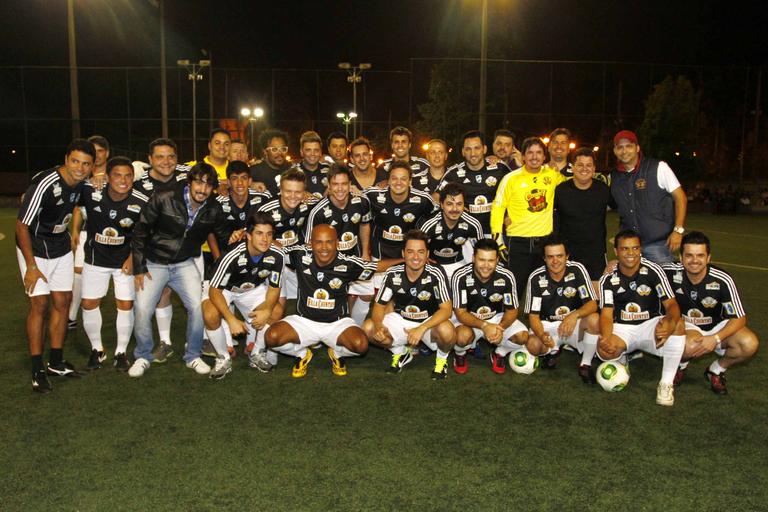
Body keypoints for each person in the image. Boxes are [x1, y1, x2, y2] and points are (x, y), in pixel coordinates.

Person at [128, 162, 229, 378]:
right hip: (155, 261)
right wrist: (138, 266)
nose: (203, 189)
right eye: (199, 183)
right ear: (189, 181)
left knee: (197, 307)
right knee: (143, 309)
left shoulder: (213, 207)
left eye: (209, 185)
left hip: (185, 262)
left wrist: (241, 236)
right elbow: (141, 230)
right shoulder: (164, 196)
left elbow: (224, 234)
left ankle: (192, 355)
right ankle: (143, 355)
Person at [16, 138, 95, 392]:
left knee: (63, 301)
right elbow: (21, 225)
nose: (80, 168)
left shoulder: (83, 184)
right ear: (66, 159)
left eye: (86, 164)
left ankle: (56, 361)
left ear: (92, 166)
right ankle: (37, 368)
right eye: (75, 161)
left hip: (60, 248)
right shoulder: (46, 183)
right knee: (40, 304)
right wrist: (30, 266)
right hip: (34, 249)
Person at [265, 224, 380, 377]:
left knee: (361, 345)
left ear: (337, 243)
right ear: (311, 243)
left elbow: (376, 266)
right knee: (271, 338)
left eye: (329, 242)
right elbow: (278, 248)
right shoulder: (300, 255)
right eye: (318, 242)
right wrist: (252, 235)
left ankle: (337, 353)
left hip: (337, 323)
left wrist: (406, 261)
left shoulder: (347, 263)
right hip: (304, 321)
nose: (324, 247)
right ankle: (301, 353)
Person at [662, 231, 759, 395]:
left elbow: (739, 318)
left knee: (749, 344)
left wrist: (715, 338)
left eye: (700, 255)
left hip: (717, 326)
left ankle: (716, 370)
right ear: (681, 257)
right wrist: (615, 263)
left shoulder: (722, 279)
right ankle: (680, 366)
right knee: (687, 346)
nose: (694, 260)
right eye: (689, 255)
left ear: (708, 258)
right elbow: (642, 268)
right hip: (688, 327)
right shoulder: (669, 272)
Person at [597, 229, 685, 406]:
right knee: (604, 351)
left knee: (679, 325)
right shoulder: (607, 279)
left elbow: (672, 305)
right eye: (625, 249)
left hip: (649, 326)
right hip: (622, 328)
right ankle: (622, 358)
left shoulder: (654, 271)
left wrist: (670, 322)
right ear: (616, 251)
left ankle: (666, 383)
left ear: (640, 249)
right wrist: (606, 338)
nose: (631, 253)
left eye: (635, 248)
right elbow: (606, 315)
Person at [78, 157, 148, 372]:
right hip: (95, 259)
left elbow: (145, 234)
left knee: (125, 305)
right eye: (117, 175)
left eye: (128, 175)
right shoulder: (91, 192)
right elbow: (68, 187)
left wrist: (132, 257)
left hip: (123, 261)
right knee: (89, 303)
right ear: (107, 177)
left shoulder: (141, 200)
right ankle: (97, 349)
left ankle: (120, 352)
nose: (123, 180)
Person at [364, 230, 455, 379]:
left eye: (420, 252)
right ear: (403, 253)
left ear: (427, 254)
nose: (415, 257)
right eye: (410, 252)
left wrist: (422, 328)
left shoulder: (436, 274)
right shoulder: (393, 274)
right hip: (401, 320)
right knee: (368, 328)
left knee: (447, 331)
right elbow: (379, 306)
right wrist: (379, 325)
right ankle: (400, 353)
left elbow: (446, 310)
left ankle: (441, 359)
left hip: (428, 323)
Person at [203, 211, 285, 379]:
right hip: (223, 289)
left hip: (250, 288)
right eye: (259, 234)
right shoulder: (232, 255)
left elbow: (274, 288)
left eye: (269, 234)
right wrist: (231, 319)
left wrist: (267, 310)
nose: (265, 239)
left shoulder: (277, 255)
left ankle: (256, 353)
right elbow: (214, 291)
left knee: (276, 311)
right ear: (248, 235)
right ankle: (223, 358)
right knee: (210, 314)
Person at [131, 138, 191, 363]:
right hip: (154, 251)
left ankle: (202, 337)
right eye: (159, 157)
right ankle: (165, 342)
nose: (166, 162)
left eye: (171, 156)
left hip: (186, 249)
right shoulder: (138, 182)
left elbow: (214, 177)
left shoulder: (187, 175)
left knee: (196, 297)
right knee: (161, 295)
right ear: (149, 160)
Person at [491, 137, 566, 299]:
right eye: (530, 153)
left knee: (544, 289)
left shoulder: (553, 176)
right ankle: (510, 323)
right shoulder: (511, 178)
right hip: (517, 243)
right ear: (523, 156)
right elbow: (498, 208)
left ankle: (540, 322)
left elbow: (570, 189)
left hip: (544, 243)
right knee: (514, 289)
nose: (534, 157)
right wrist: (498, 239)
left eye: (539, 152)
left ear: (544, 156)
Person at [524, 237, 600, 382]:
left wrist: (574, 315)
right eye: (550, 257)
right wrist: (541, 334)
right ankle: (553, 350)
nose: (555, 261)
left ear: (567, 256)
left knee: (594, 319)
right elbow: (533, 316)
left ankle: (585, 364)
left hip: (572, 324)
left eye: (559, 256)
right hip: (547, 325)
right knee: (533, 345)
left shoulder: (577, 270)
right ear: (544, 259)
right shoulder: (536, 278)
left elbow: (592, 304)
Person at [305, 165, 373, 324]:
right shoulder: (318, 211)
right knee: (334, 299)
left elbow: (364, 225)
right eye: (335, 184)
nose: (340, 188)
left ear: (350, 184)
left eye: (344, 184)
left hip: (355, 258)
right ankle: (330, 327)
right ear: (328, 186)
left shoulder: (362, 202)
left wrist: (365, 253)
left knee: (367, 294)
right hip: (329, 264)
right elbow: (309, 244)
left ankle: (354, 326)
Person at [610, 129, 687, 264]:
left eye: (629, 146)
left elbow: (680, 197)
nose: (624, 151)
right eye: (620, 147)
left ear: (637, 148)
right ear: (615, 151)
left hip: (658, 245)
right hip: (630, 247)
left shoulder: (658, 167)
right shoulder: (614, 176)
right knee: (633, 285)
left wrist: (678, 230)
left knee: (662, 284)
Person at [451, 239, 527, 375]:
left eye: (491, 260)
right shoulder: (460, 276)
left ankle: (500, 353)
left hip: (496, 319)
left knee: (522, 337)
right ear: (473, 258)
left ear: (497, 259)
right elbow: (461, 313)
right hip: (469, 320)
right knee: (461, 337)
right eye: (481, 260)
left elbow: (512, 310)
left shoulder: (507, 276)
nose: (486, 265)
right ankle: (460, 354)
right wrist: (485, 326)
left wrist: (501, 328)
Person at [364, 162, 437, 290]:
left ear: (410, 181)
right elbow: (354, 200)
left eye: (403, 179)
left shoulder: (423, 199)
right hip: (381, 252)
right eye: (394, 178)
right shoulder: (373, 194)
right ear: (388, 180)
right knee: (380, 292)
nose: (398, 183)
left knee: (405, 290)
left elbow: (438, 216)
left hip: (408, 254)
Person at [68, 135, 111, 330]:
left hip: (116, 233)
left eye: (100, 151)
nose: (97, 155)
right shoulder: (82, 175)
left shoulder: (117, 173)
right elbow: (78, 208)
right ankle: (71, 314)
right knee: (78, 271)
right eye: (94, 152)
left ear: (107, 153)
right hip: (89, 230)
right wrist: (75, 231)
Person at [553, 147, 611, 286]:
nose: (584, 169)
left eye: (588, 165)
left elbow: (623, 208)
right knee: (568, 296)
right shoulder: (561, 190)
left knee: (595, 298)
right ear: (572, 167)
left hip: (595, 254)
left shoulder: (603, 190)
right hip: (568, 254)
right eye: (580, 165)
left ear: (594, 168)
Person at [257, 168, 316, 304]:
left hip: (296, 257)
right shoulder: (267, 210)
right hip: (273, 258)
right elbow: (255, 234)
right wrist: (272, 242)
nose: (293, 196)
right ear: (281, 191)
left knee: (309, 295)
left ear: (304, 192)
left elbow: (328, 202)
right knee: (279, 302)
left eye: (298, 192)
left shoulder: (309, 204)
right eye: (288, 191)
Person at [438, 130, 511, 234]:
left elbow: (516, 192)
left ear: (484, 149)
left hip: (497, 232)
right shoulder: (453, 173)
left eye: (477, 148)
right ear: (463, 151)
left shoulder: (500, 168)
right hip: (466, 235)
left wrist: (509, 215)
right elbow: (437, 198)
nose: (473, 153)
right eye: (468, 149)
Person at [420, 183, 484, 280]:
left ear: (464, 205)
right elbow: (417, 249)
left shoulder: (473, 224)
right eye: (449, 204)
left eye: (459, 204)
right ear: (441, 205)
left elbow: (482, 251)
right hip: (432, 267)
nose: (454, 209)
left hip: (460, 265)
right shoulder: (429, 225)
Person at [249, 129, 291, 196]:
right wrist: (249, 184)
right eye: (274, 149)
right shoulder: (254, 172)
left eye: (283, 149)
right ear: (265, 152)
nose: (280, 153)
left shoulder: (292, 169)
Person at [294, 130, 330, 199]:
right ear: (301, 152)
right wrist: (298, 193)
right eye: (308, 150)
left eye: (316, 150)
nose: (312, 154)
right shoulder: (293, 172)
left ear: (320, 152)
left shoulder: (329, 170)